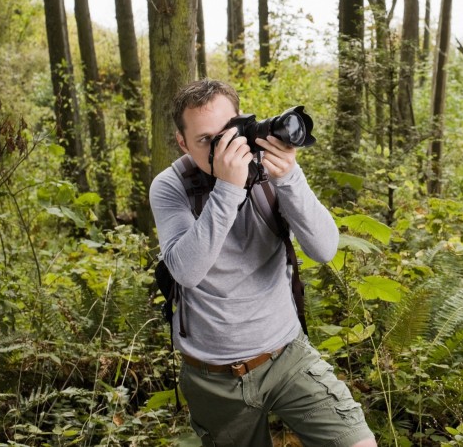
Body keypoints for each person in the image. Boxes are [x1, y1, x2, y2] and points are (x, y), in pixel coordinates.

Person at [149, 79, 376, 446]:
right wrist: (227, 188)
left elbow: (324, 249)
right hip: (213, 375)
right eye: (206, 140)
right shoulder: (171, 185)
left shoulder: (270, 171)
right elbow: (186, 271)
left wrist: (290, 178)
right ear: (182, 142)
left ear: (242, 121)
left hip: (286, 354)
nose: (222, 148)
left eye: (228, 132)